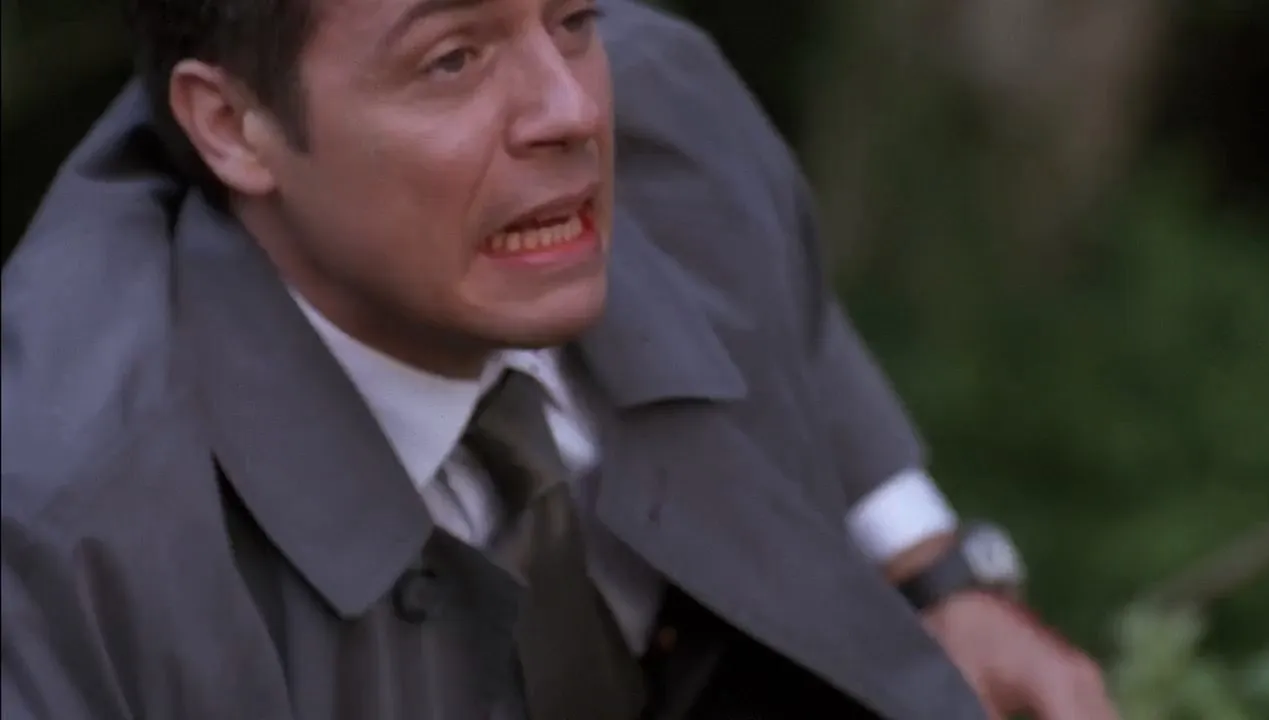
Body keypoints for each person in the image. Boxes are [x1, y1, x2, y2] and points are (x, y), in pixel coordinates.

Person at [0, 0, 1119, 718]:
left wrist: (933, 577)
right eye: (451, 59)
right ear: (232, 127)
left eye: (571, 16)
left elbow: (780, 309)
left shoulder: (669, 103)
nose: (572, 108)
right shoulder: (66, 530)